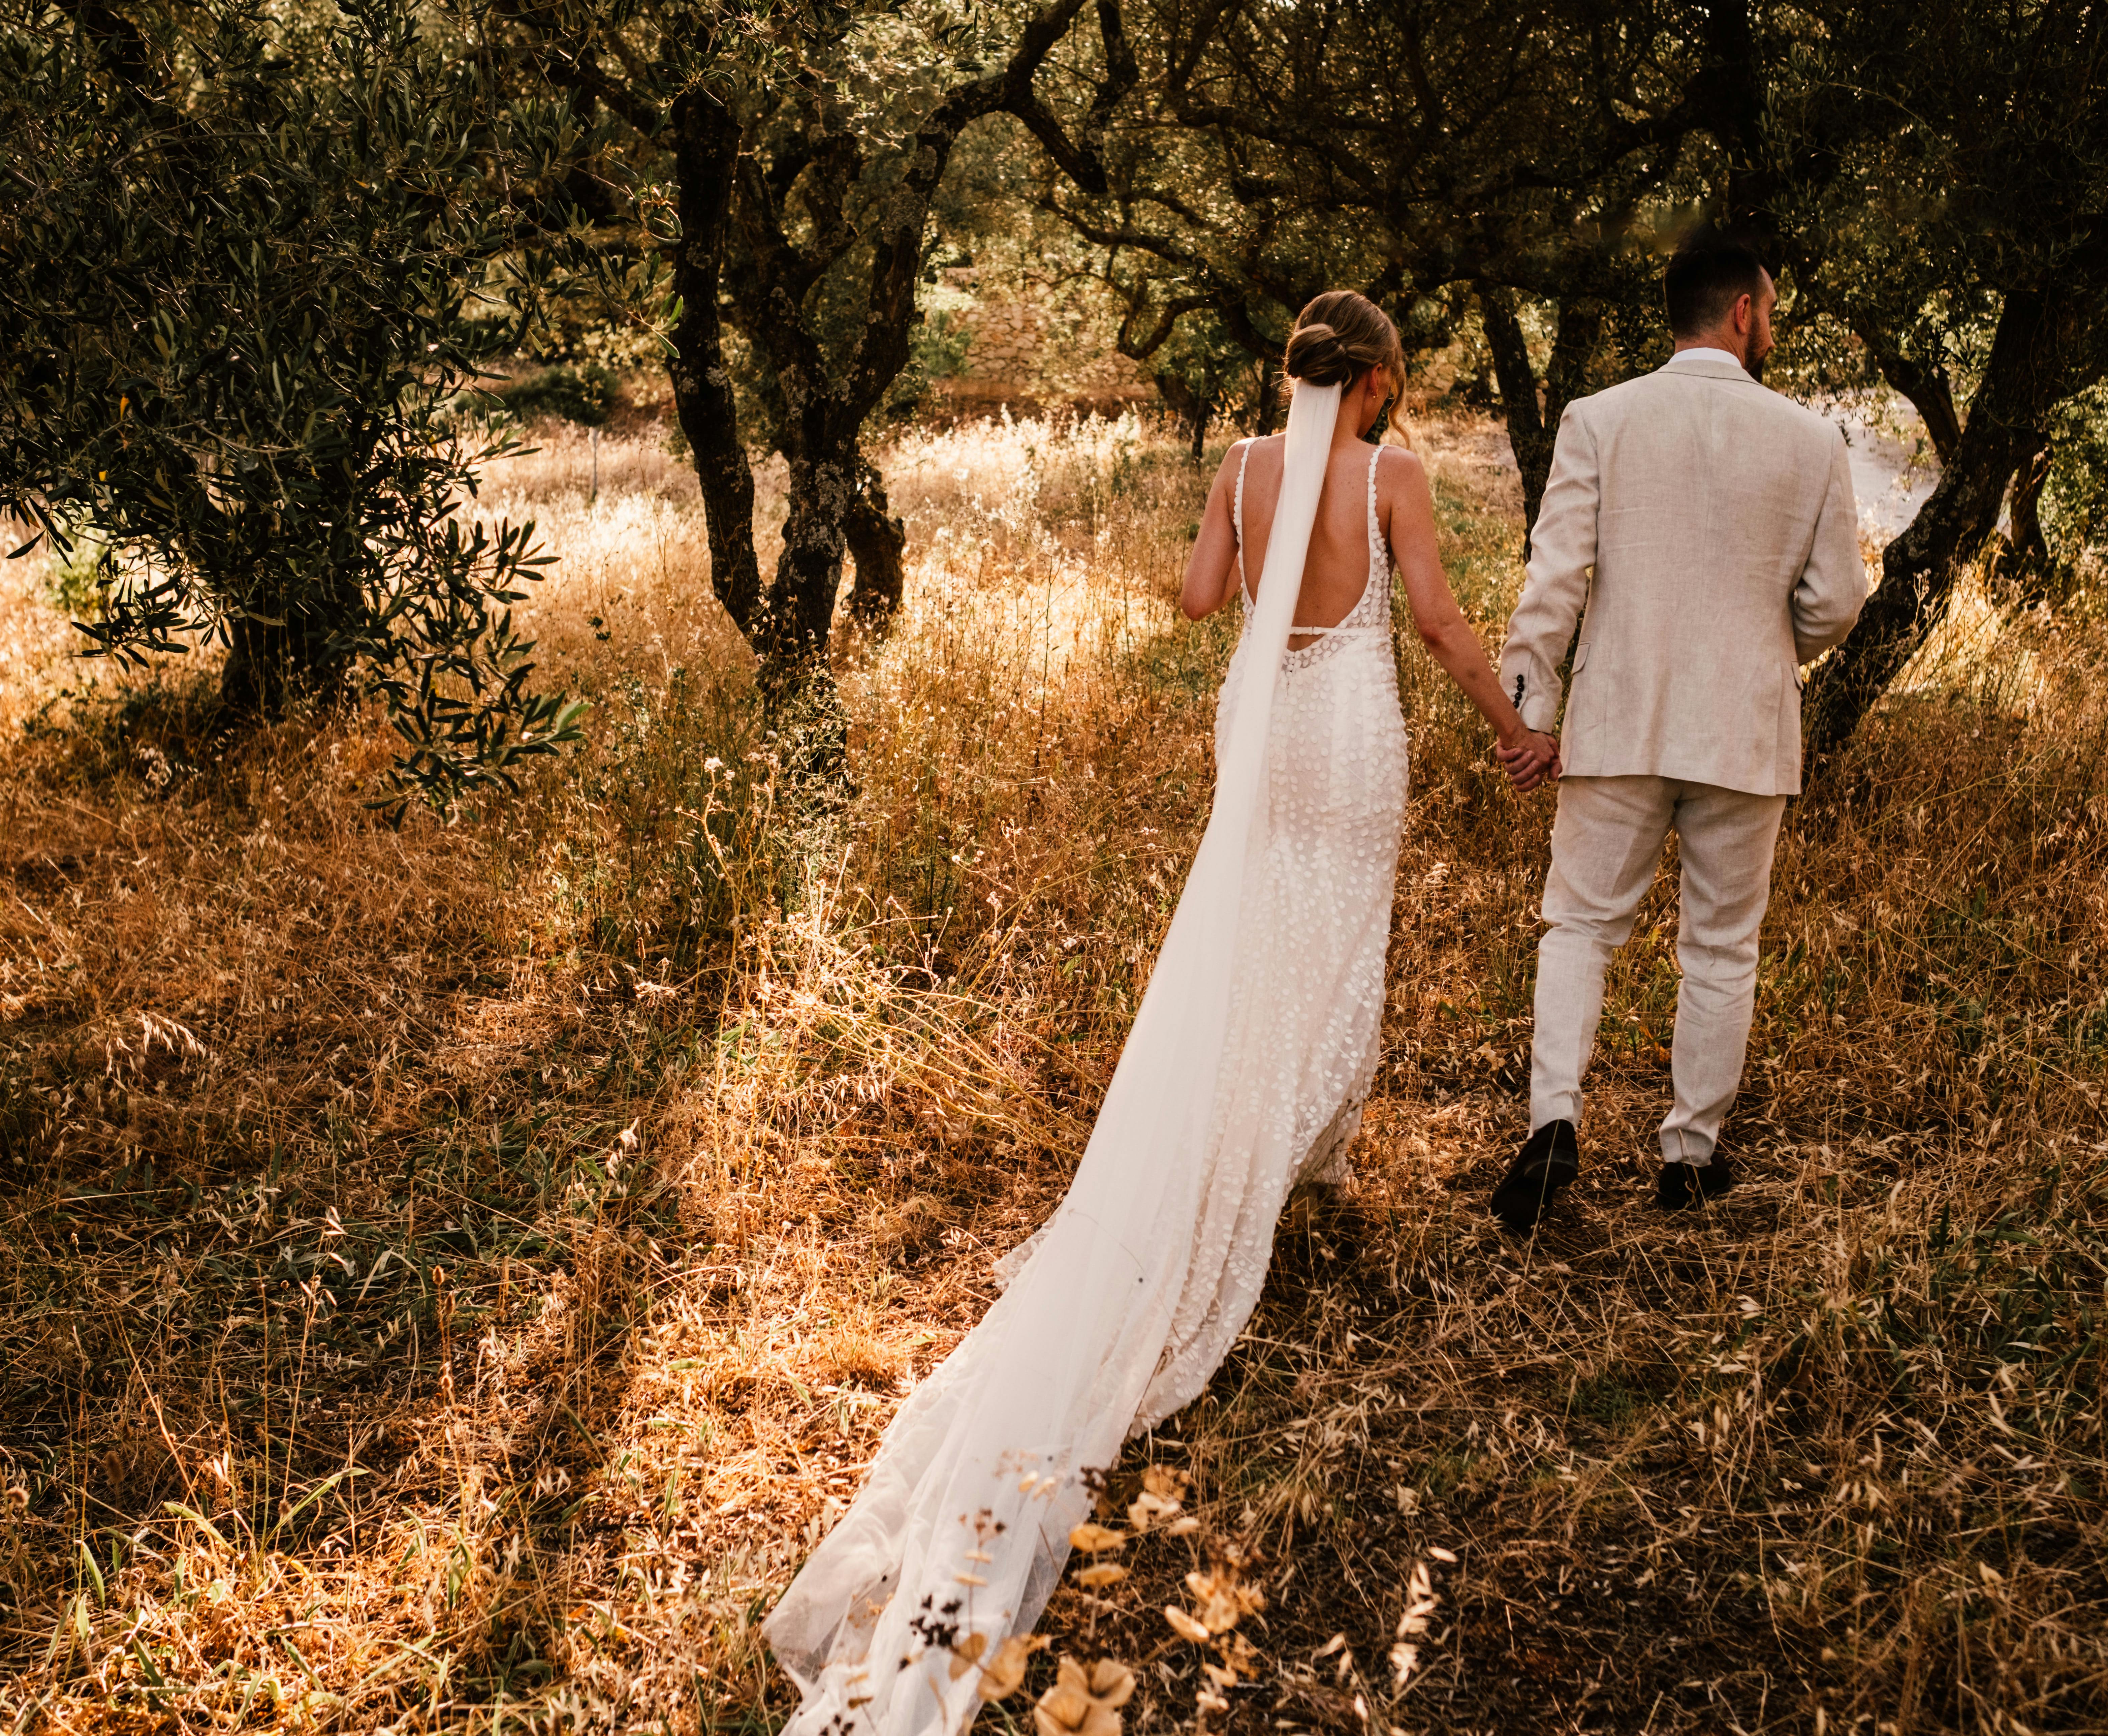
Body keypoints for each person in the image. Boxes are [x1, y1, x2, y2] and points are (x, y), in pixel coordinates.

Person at [761, 292, 1550, 1734]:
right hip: (1352, 741)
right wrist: (1514, 731)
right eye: (1389, 386)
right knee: (1328, 954)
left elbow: (1199, 602)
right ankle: (1296, 1156)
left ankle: (1250, 1144)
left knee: (1250, 952)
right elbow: (1433, 617)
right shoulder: (1392, 477)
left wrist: (1236, 540)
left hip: (1266, 730)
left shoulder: (1248, 466)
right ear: (1375, 382)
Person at [1487, 227, 1869, 1233]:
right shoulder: (1811, 440)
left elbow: (1555, 580)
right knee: (1722, 947)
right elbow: (1838, 603)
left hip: (1619, 717)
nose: (1771, 328)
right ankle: (1690, 1155)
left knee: (1579, 925)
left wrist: (1531, 714)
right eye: (1771, 313)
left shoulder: (1598, 420)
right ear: (1744, 312)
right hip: (1746, 728)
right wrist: (1756, 643)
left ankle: (1554, 1124)